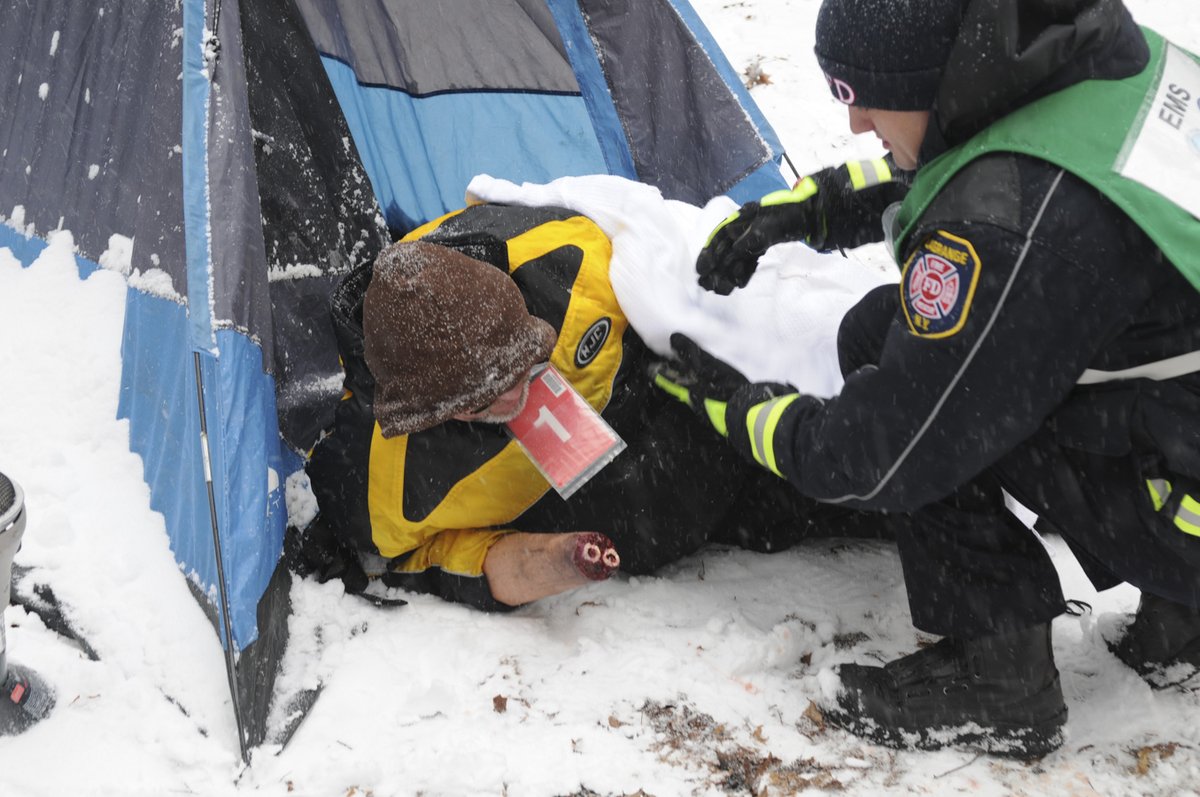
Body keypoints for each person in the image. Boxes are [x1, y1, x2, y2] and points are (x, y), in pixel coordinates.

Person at [659, 0, 1200, 758]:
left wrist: (743, 407)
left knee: (898, 361)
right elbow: (1015, 158)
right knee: (911, 338)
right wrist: (816, 210)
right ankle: (1185, 620)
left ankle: (999, 679)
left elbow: (884, 452)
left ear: (928, 77)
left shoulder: (1009, 228)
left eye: (861, 98)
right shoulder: (1096, 52)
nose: (853, 125)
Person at [290, 201, 871, 612]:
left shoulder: (565, 256)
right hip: (629, 508)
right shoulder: (381, 493)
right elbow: (446, 561)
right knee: (772, 510)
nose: (520, 396)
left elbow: (673, 254)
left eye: (529, 363)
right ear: (431, 412)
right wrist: (555, 561)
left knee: (846, 457)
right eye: (491, 400)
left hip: (695, 413)